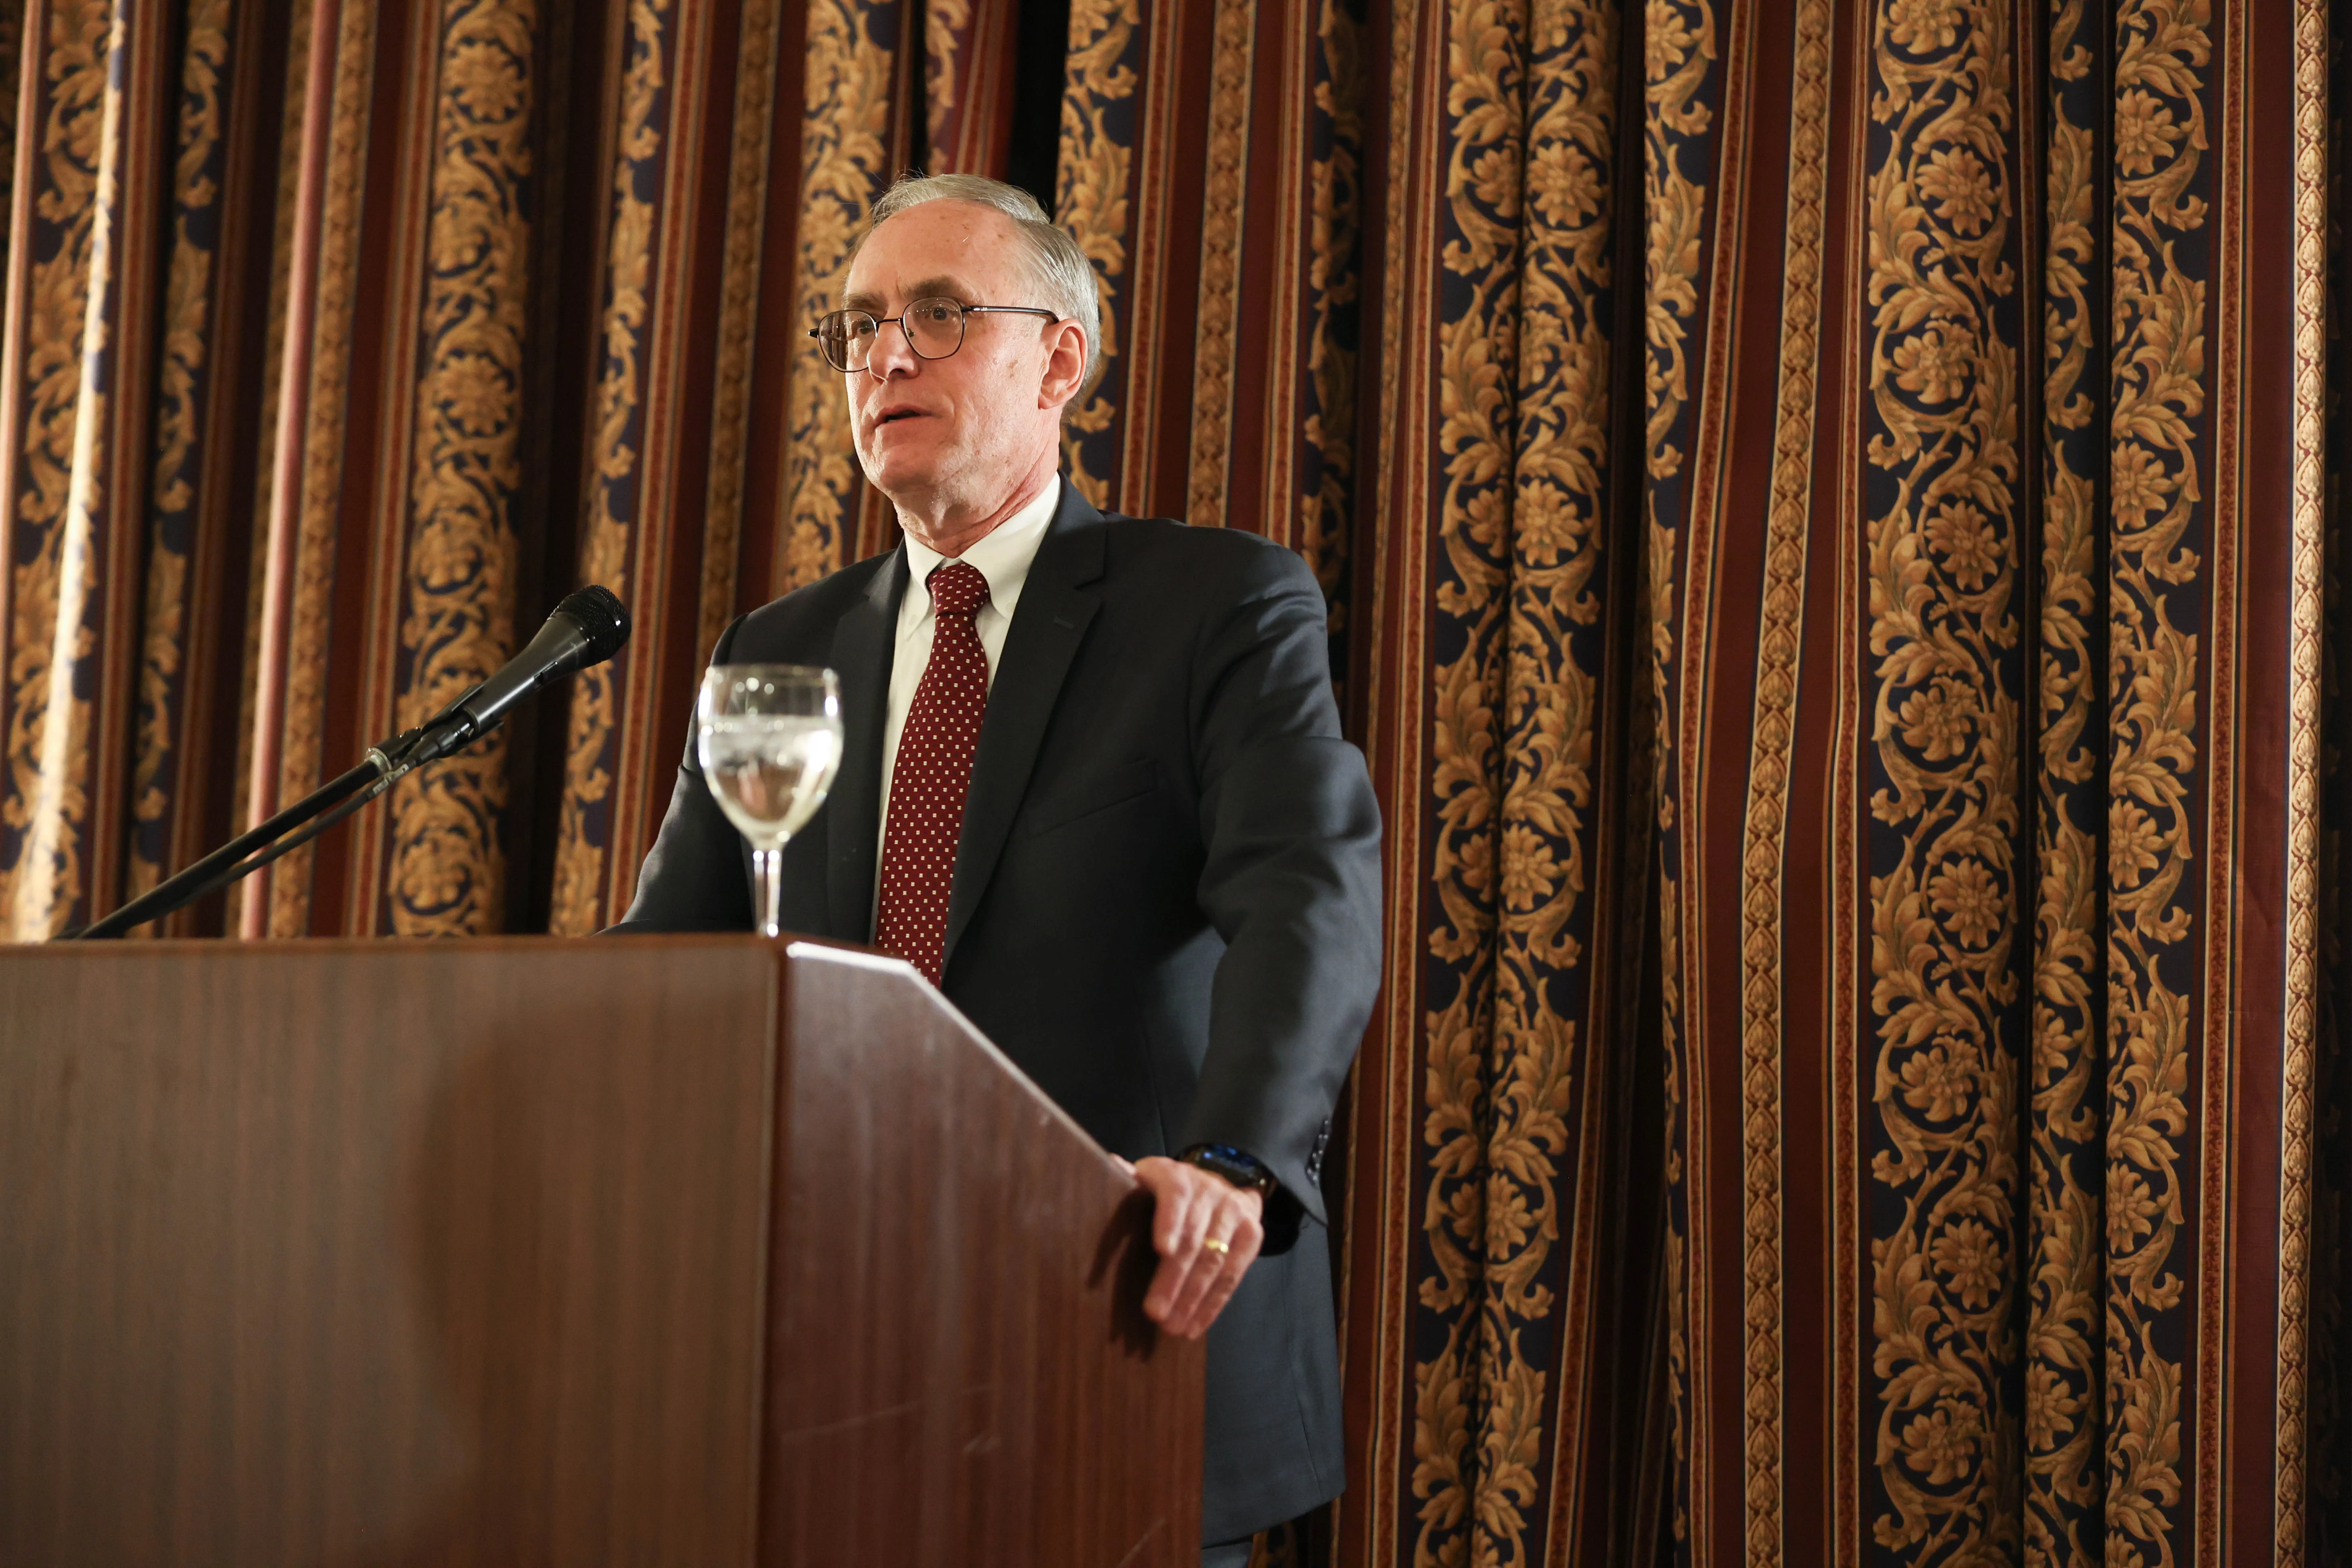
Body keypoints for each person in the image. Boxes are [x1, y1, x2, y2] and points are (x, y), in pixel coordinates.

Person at [613, 172, 1381, 1560]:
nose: (887, 355)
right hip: (821, 1357)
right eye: (859, 326)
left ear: (1062, 361)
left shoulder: (1213, 605)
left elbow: (1304, 895)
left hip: (1118, 1323)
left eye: (941, 314)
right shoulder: (776, 652)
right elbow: (666, 963)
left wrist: (1233, 1159)